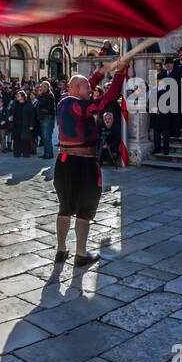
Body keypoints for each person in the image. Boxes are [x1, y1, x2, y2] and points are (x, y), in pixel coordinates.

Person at [51, 61, 128, 265]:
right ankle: (81, 254)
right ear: (76, 89)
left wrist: (100, 73)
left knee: (65, 206)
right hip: (83, 163)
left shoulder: (63, 102)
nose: (91, 90)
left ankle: (61, 251)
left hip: (64, 161)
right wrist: (119, 74)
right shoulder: (78, 106)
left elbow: (85, 85)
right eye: (87, 87)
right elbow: (108, 98)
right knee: (85, 207)